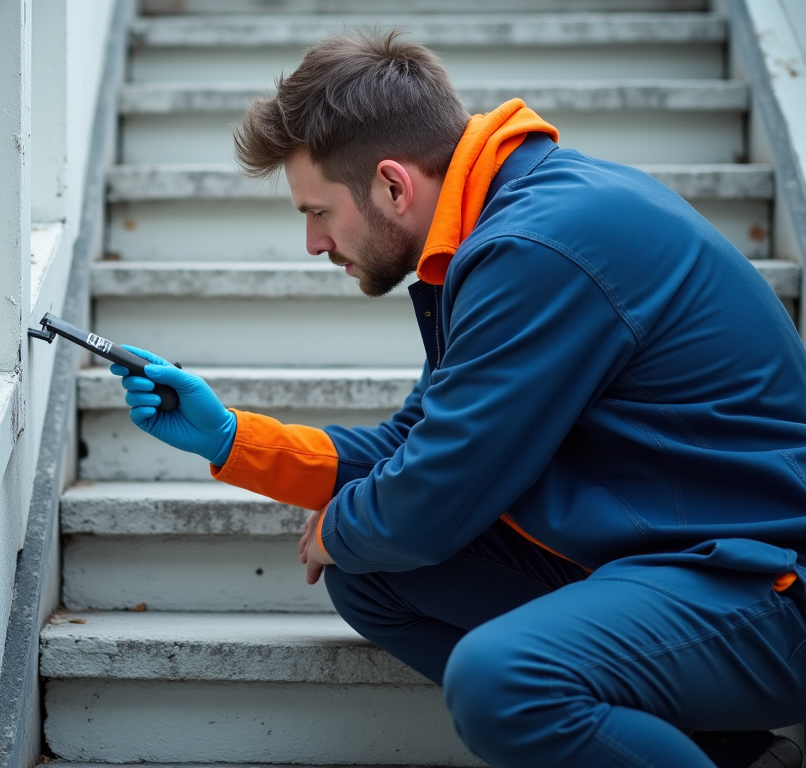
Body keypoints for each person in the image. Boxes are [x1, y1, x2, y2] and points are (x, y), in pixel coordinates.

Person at [108, 30, 806, 768]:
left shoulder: (540, 247)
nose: (314, 243)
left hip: (761, 588)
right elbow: (420, 444)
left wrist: (341, 526)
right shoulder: (496, 231)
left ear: (392, 185)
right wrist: (229, 439)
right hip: (667, 556)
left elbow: (441, 491)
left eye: (317, 212)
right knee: (371, 574)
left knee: (508, 681)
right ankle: (732, 756)